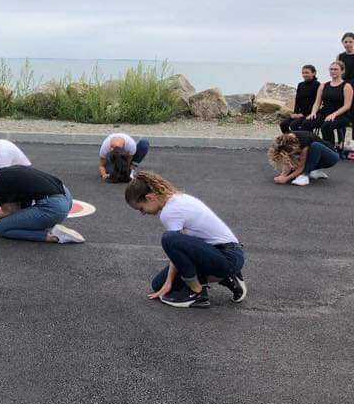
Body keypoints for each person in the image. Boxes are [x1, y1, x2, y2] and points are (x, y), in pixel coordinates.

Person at [125, 171, 246, 309]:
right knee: (158, 284)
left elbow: (173, 243)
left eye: (141, 208)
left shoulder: (169, 212)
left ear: (150, 197)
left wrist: (176, 281)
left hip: (227, 257)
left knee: (168, 238)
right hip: (222, 255)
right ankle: (228, 277)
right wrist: (168, 283)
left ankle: (196, 292)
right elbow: (179, 250)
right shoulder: (178, 198)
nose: (143, 213)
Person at [0, 165, 84, 244]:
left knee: (3, 228)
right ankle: (54, 230)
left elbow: (8, 211)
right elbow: (19, 212)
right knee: (7, 223)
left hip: (54, 207)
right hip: (66, 197)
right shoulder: (3, 175)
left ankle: (53, 236)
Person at [303, 60, 353, 151]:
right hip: (325, 112)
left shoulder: (347, 86)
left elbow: (347, 105)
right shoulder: (323, 86)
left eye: (336, 69)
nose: (333, 71)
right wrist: (313, 113)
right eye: (331, 69)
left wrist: (334, 114)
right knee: (307, 123)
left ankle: (330, 149)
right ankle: (310, 146)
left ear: (342, 71)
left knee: (326, 126)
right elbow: (317, 103)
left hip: (342, 115)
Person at [268, 131, 339, 186]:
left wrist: (286, 179)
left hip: (331, 158)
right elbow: (288, 161)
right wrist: (282, 176)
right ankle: (313, 171)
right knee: (292, 172)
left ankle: (304, 175)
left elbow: (301, 167)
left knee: (315, 146)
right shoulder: (285, 139)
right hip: (317, 159)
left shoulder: (303, 140)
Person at [280, 65, 320, 134]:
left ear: (314, 73)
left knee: (294, 125)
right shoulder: (300, 85)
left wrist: (303, 114)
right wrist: (295, 113)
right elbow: (297, 100)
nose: (304, 75)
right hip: (300, 113)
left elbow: (316, 102)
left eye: (307, 73)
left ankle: (304, 138)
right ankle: (290, 138)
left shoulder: (317, 85)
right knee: (283, 124)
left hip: (311, 113)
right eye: (303, 73)